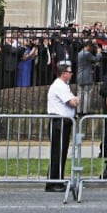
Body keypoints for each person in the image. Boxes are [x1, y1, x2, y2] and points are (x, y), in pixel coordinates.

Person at [45, 62, 78, 192]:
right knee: (57, 153)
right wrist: (76, 99)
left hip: (63, 122)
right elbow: (72, 103)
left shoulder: (63, 85)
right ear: (64, 74)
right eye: (70, 72)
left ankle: (58, 180)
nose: (71, 74)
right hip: (59, 122)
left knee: (61, 152)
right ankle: (53, 183)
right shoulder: (59, 86)